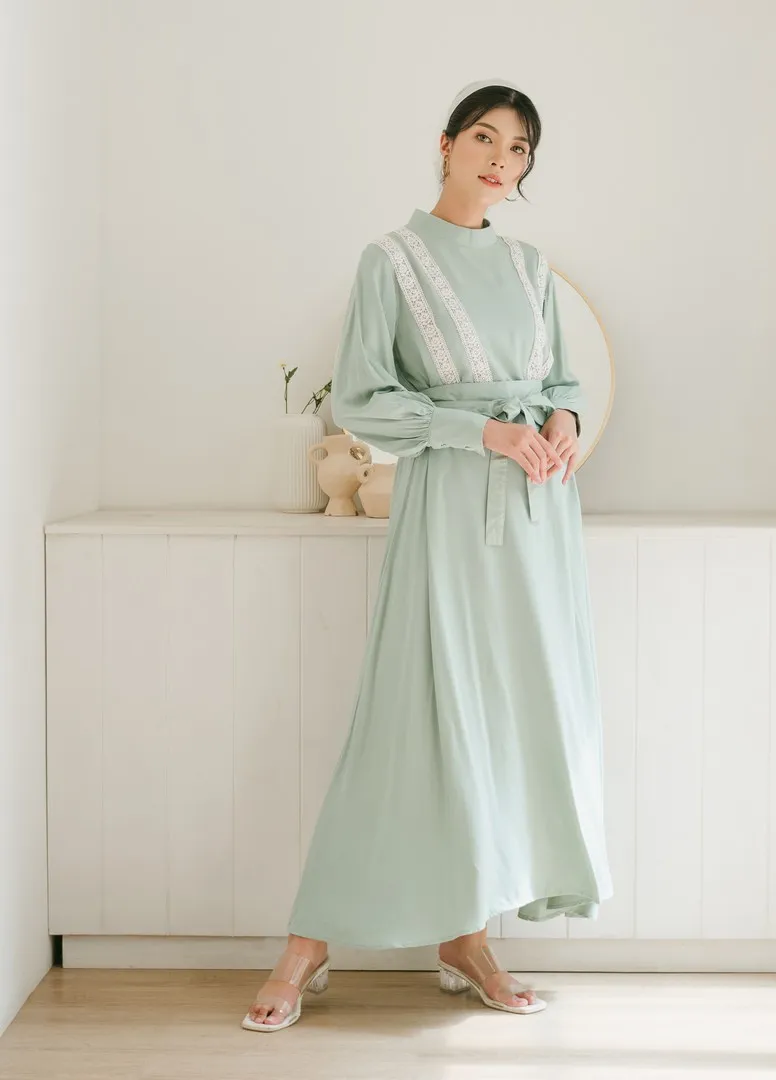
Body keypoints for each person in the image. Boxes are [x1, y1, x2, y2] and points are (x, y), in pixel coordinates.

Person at [242, 77, 613, 1032]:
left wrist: (562, 419)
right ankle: (309, 941)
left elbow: (563, 380)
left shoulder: (530, 267)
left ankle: (467, 936)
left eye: (519, 148)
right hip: (450, 508)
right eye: (485, 138)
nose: (501, 159)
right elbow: (363, 398)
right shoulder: (392, 262)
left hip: (538, 518)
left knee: (515, 720)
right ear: (446, 145)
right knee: (414, 717)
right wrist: (479, 431)